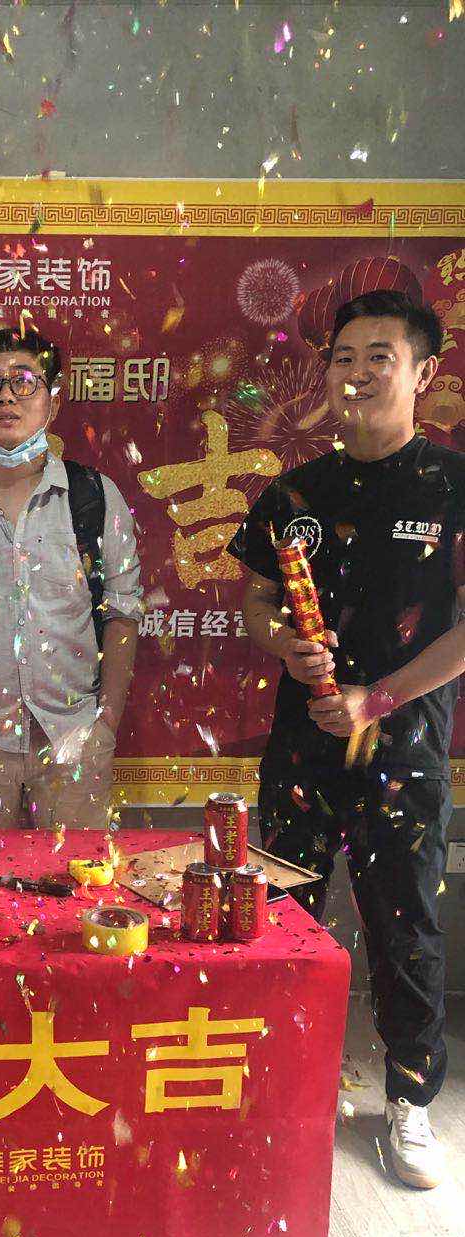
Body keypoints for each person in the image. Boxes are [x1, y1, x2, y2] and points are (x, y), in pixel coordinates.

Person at [228, 288, 465, 1190]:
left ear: (423, 373)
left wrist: (381, 697)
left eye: (379, 358)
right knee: (282, 915)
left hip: (403, 752)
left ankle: (408, 1100)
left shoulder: (452, 484)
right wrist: (284, 646)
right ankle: (282, 1084)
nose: (357, 375)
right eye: (343, 358)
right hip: (302, 747)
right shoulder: (296, 492)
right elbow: (256, 602)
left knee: (406, 924)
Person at [0, 325, 142, 830]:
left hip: (73, 741)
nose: (6, 396)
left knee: (76, 876)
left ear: (53, 402)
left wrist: (105, 724)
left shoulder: (95, 498)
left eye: (24, 380)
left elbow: (122, 616)